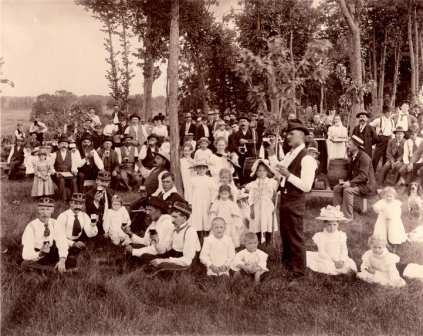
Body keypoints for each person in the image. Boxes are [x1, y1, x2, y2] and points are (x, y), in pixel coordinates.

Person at [272, 119, 317, 281]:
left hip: (295, 200)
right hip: (284, 198)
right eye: (287, 134)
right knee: (285, 233)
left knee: (295, 235)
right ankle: (288, 264)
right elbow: (278, 172)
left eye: (291, 134)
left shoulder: (307, 159)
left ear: (302, 136)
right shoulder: (290, 154)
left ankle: (299, 272)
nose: (287, 137)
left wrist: (288, 175)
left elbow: (306, 186)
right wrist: (271, 154)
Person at [333, 135, 376, 221]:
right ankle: (336, 213)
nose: (347, 145)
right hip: (358, 183)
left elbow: (363, 176)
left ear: (356, 146)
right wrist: (345, 181)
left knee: (348, 190)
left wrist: (350, 183)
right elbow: (352, 173)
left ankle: (347, 217)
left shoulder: (364, 158)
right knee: (337, 188)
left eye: (349, 144)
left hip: (366, 185)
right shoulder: (353, 155)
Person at [306, 205, 357, 275]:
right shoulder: (321, 236)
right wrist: (334, 261)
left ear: (338, 224)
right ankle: (333, 269)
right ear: (324, 224)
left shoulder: (341, 235)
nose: (332, 227)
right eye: (329, 225)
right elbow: (322, 252)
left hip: (339, 257)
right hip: (327, 258)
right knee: (327, 266)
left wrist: (342, 260)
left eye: (334, 224)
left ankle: (342, 267)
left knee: (349, 264)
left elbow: (344, 249)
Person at [149, 201, 201, 270]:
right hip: (175, 256)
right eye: (172, 217)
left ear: (184, 218)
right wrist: (156, 241)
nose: (172, 221)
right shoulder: (174, 230)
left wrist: (164, 261)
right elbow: (164, 250)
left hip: (187, 263)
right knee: (150, 260)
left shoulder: (190, 231)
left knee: (160, 271)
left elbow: (187, 261)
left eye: (175, 217)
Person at [54, 193, 98, 272]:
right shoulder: (63, 216)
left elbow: (90, 234)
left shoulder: (84, 215)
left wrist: (93, 225)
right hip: (64, 241)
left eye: (80, 204)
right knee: (66, 258)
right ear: (70, 203)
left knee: (87, 254)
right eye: (75, 203)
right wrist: (73, 244)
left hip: (77, 241)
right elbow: (60, 237)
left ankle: (78, 263)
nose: (78, 207)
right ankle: (64, 264)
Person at [125, 197, 174, 262]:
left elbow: (158, 249)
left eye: (150, 210)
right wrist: (130, 234)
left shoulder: (167, 222)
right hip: (155, 250)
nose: (147, 213)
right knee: (131, 246)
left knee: (143, 256)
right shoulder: (154, 222)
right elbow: (146, 242)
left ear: (159, 210)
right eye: (146, 210)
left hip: (164, 254)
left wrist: (134, 251)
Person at [245, 159, 278, 246]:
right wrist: (251, 209)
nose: (262, 172)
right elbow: (251, 197)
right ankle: (258, 241)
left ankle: (268, 242)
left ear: (267, 172)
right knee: (257, 223)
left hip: (267, 206)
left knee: (268, 223)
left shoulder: (271, 182)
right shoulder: (253, 184)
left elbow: (278, 188)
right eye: (259, 170)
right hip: (257, 206)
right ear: (256, 172)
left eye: (264, 170)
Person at [21, 197, 57, 265]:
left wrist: (62, 259)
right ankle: (51, 270)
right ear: (38, 210)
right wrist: (40, 253)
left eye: (48, 209)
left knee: (70, 260)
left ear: (52, 211)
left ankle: (52, 268)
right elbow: (25, 254)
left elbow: (62, 241)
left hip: (52, 252)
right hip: (37, 254)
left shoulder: (55, 223)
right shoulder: (31, 227)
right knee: (26, 263)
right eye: (42, 209)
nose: (45, 213)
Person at [189, 159, 215, 242]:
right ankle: (198, 242)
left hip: (206, 202)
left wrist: (212, 202)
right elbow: (189, 192)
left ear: (206, 169)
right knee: (197, 221)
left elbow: (213, 192)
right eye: (199, 168)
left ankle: (206, 240)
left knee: (206, 221)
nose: (201, 170)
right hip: (196, 202)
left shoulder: (210, 180)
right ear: (196, 169)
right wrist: (190, 203)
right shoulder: (193, 179)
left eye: (203, 168)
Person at [85, 170, 113, 235]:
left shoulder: (110, 192)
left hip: (108, 219)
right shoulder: (90, 194)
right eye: (102, 181)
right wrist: (95, 202)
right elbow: (89, 211)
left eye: (107, 182)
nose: (104, 184)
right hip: (96, 222)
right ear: (97, 181)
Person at [51, 135, 78, 201]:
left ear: (68, 146)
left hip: (68, 174)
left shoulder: (71, 154)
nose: (64, 146)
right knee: (61, 180)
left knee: (74, 180)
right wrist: (55, 172)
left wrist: (74, 170)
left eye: (65, 144)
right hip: (59, 174)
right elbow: (50, 165)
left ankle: (75, 198)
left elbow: (74, 165)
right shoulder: (55, 154)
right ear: (58, 145)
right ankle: (63, 199)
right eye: (62, 144)